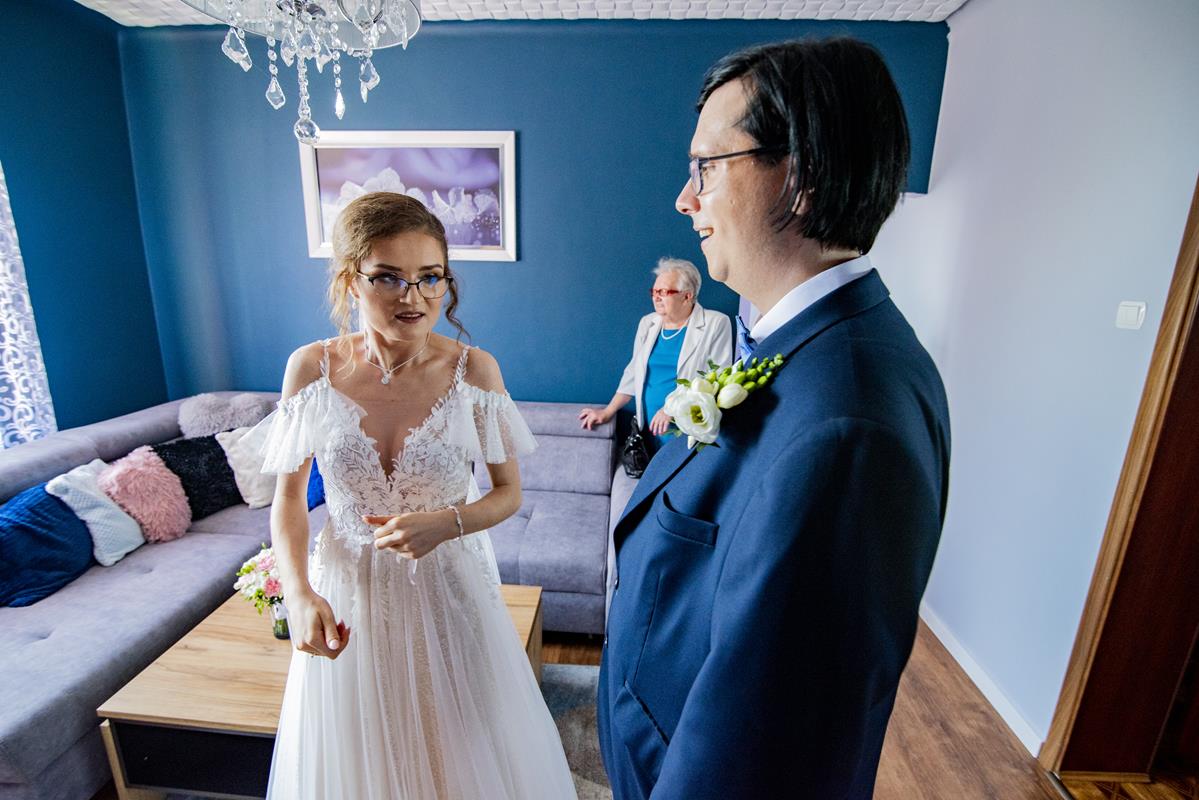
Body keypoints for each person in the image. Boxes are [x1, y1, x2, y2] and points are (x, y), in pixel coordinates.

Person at [598, 38, 951, 799]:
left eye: (704, 166)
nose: (684, 199)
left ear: (803, 174)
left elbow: (771, 748)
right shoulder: (793, 344)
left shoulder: (847, 427)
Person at [250, 192, 576, 799]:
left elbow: (507, 493)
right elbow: (289, 499)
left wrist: (448, 522)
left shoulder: (474, 371)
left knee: (456, 751)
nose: (414, 297)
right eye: (389, 278)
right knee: (361, 757)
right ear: (349, 279)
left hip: (447, 588)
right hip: (349, 593)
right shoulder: (310, 369)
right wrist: (297, 592)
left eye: (430, 277)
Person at [578, 258, 732, 450]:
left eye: (664, 292)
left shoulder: (716, 323)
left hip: (687, 428)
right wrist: (608, 411)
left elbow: (717, 379)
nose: (656, 297)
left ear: (687, 296)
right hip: (649, 427)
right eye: (654, 291)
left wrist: (670, 409)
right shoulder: (648, 323)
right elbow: (634, 372)